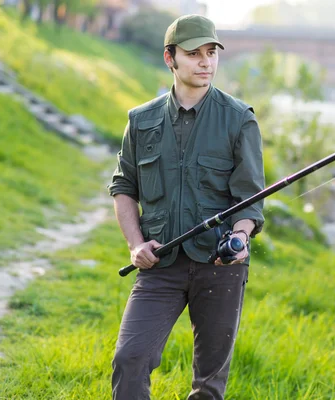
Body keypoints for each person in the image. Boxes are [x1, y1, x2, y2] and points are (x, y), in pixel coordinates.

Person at [107, 14, 265, 400]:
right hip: (160, 265)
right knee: (130, 359)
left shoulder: (239, 120)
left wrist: (240, 238)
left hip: (220, 267)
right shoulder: (140, 121)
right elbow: (124, 187)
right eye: (194, 53)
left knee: (209, 383)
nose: (205, 62)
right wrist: (135, 244)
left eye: (211, 52)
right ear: (170, 58)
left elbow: (250, 200)